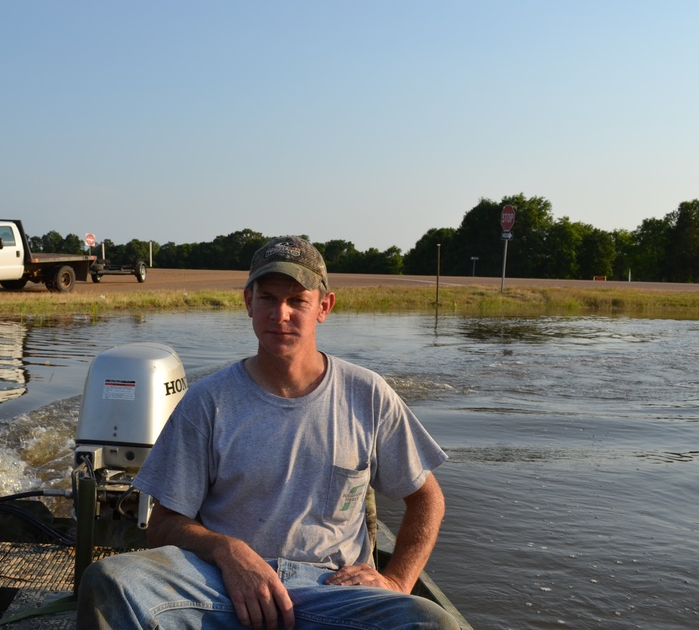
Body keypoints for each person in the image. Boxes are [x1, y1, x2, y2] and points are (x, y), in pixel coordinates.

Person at [79, 236, 459, 630]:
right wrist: (228, 552)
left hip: (331, 590)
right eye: (268, 298)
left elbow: (427, 500)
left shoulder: (368, 394)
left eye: (297, 300)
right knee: (109, 583)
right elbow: (161, 526)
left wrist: (396, 581)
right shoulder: (208, 401)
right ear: (248, 302)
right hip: (222, 587)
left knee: (432, 623)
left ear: (324, 307)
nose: (281, 314)